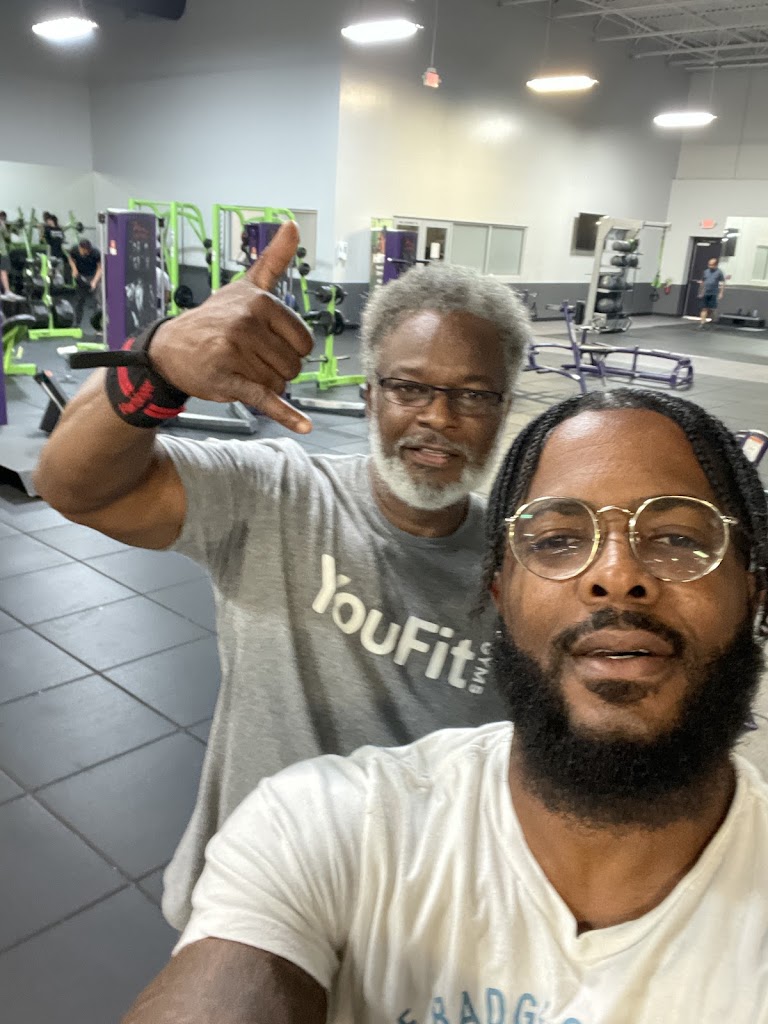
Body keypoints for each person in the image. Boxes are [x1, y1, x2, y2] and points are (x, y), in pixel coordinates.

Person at [121, 388, 768, 1024]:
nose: (617, 574)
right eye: (557, 539)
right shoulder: (329, 826)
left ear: (753, 591)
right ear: (499, 596)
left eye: (679, 537)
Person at [33, 220, 531, 931]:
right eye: (409, 388)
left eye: (474, 396)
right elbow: (75, 487)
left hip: (425, 924)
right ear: (369, 396)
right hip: (257, 907)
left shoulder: (533, 563)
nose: (440, 418)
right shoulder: (276, 494)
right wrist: (155, 365)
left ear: (505, 410)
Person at [67, 236, 102, 327]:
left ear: (88, 250)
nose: (82, 253)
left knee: (97, 300)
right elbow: (70, 259)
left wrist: (94, 281)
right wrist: (74, 269)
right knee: (79, 301)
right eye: (81, 250)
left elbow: (100, 268)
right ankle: (77, 323)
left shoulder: (95, 253)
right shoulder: (75, 250)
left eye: (84, 251)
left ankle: (99, 325)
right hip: (81, 275)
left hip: (93, 275)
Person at [697, 256, 726, 329]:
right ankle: (702, 323)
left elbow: (722, 283)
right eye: (709, 264)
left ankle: (712, 321)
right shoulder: (706, 272)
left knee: (711, 309)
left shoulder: (719, 272)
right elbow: (702, 282)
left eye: (711, 265)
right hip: (705, 292)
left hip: (713, 293)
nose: (710, 266)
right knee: (704, 308)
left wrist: (721, 293)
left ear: (716, 265)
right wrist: (700, 292)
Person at [0, 210, 21, 299]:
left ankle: (7, 291)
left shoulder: (2, 225)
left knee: (4, 271)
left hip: (3, 251)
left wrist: (3, 226)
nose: (2, 219)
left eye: (3, 218)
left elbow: (7, 237)